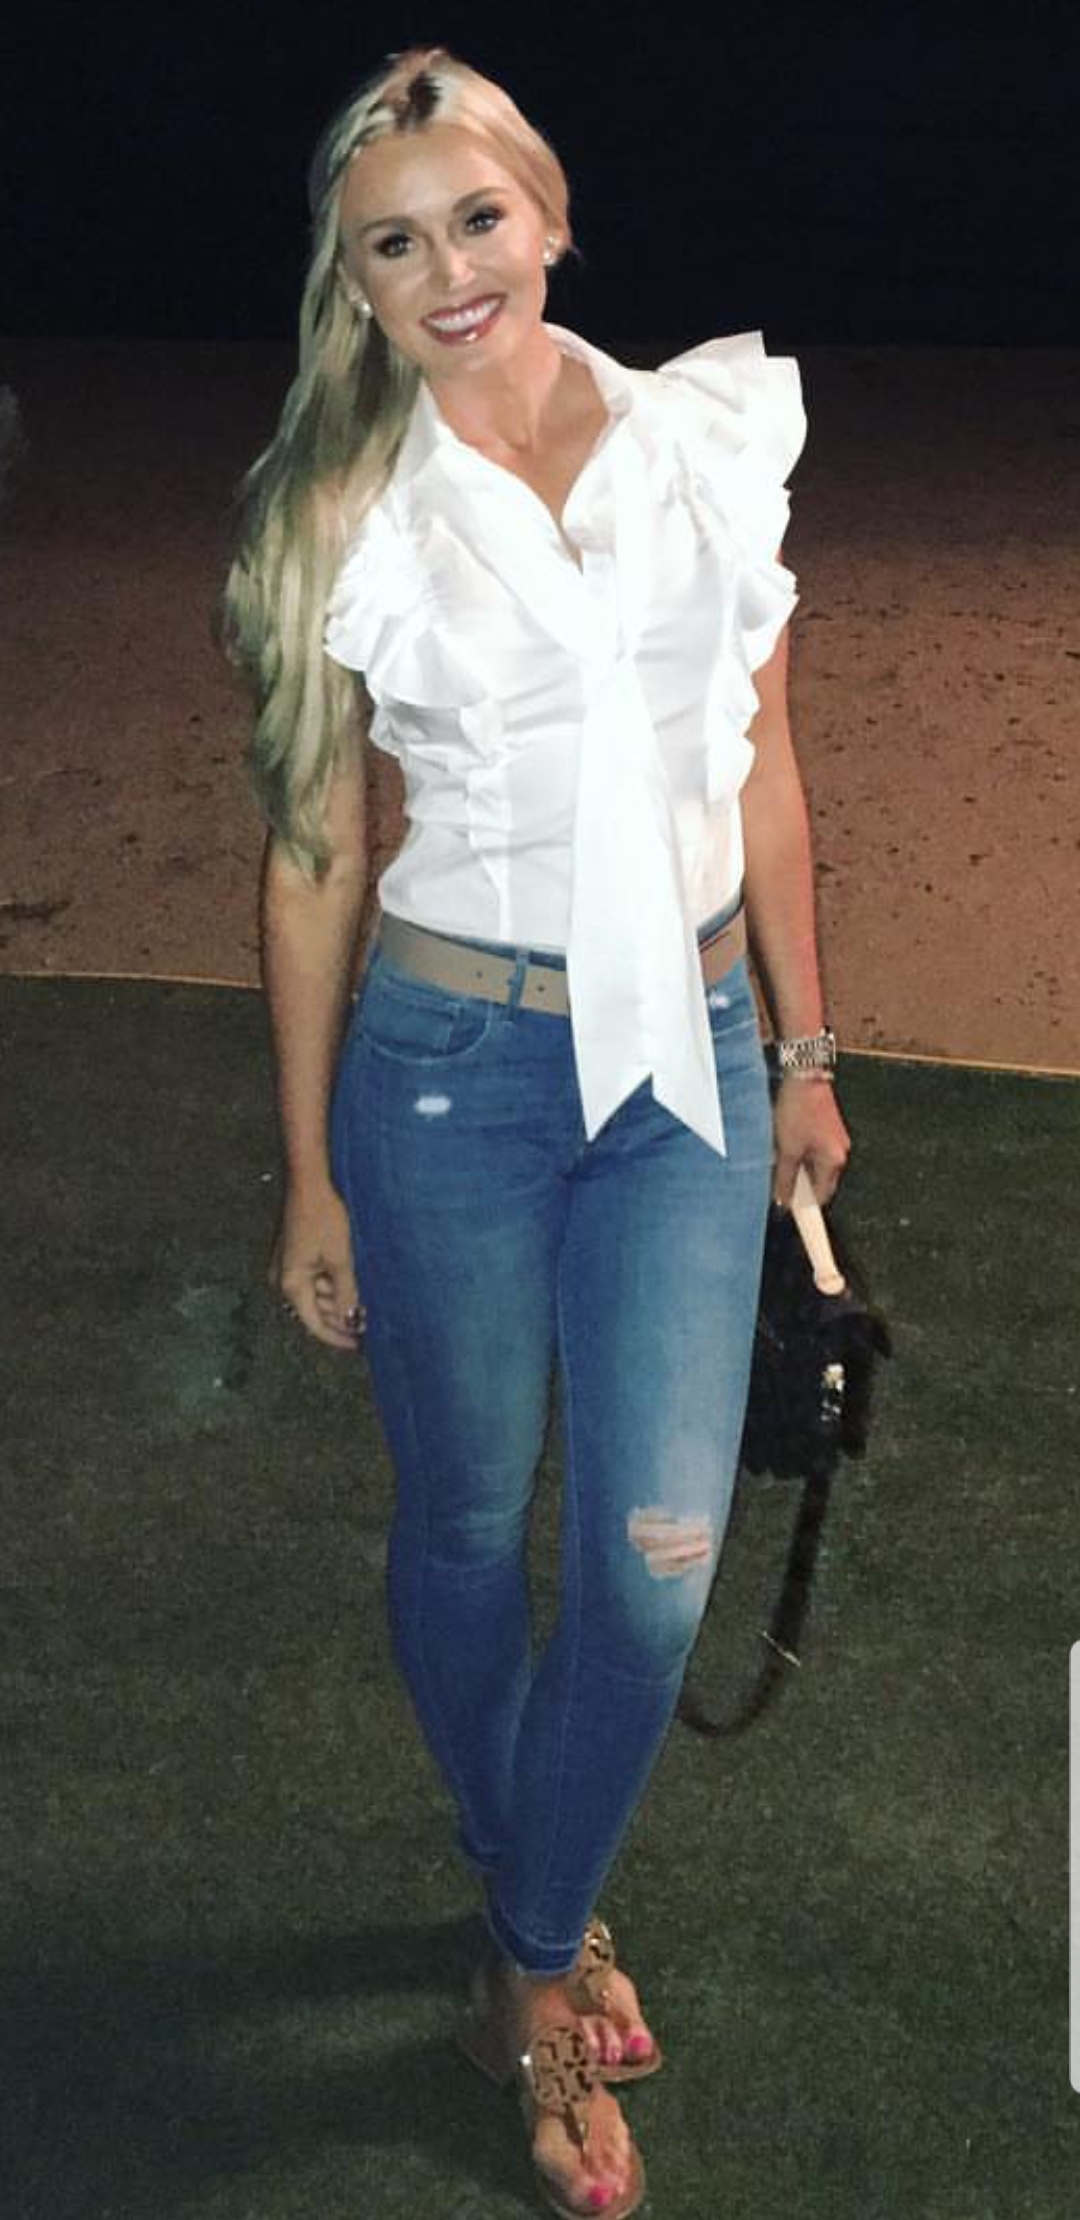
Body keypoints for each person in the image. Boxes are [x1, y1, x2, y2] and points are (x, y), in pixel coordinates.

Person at [223, 44, 849, 2220]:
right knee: (471, 1520)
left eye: (476, 217)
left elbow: (764, 768)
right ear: (356, 285)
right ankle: (539, 1918)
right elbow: (315, 851)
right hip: (448, 1073)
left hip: (690, 1064)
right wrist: (308, 1170)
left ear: (551, 211)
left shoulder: (704, 444)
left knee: (656, 1573)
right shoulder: (343, 508)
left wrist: (804, 1049)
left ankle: (524, 1941)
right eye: (392, 245)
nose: (448, 268)